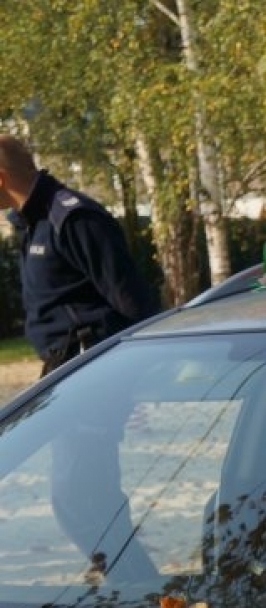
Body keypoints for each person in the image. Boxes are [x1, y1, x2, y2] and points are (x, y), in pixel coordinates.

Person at [1, 137, 163, 584]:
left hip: (93, 377)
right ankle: (139, 593)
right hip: (63, 377)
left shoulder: (72, 217)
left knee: (81, 499)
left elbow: (136, 306)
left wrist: (127, 383)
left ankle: (144, 595)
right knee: (85, 500)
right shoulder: (32, 222)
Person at [0, 136, 158, 377]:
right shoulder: (31, 223)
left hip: (96, 366)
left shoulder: (72, 219)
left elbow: (132, 300)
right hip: (66, 365)